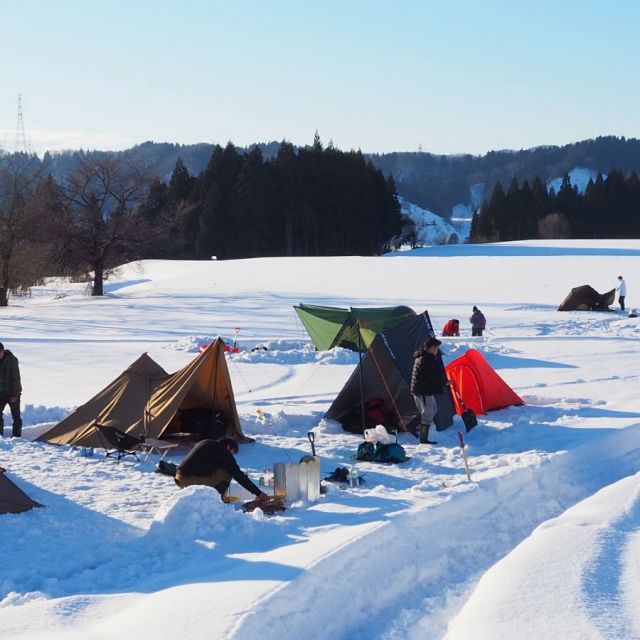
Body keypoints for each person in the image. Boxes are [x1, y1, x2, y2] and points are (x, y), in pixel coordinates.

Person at [175, 436, 268, 503]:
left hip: (179, 477)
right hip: (190, 480)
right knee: (227, 472)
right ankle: (218, 502)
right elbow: (239, 476)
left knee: (221, 470)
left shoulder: (206, 442)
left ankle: (209, 497)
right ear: (228, 447)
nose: (231, 455)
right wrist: (258, 493)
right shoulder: (224, 453)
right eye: (232, 452)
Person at [410, 337, 449, 445]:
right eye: (436, 348)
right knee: (428, 414)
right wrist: (444, 382)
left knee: (433, 410)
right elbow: (432, 376)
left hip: (426, 389)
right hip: (423, 390)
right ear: (431, 348)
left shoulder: (426, 357)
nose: (437, 350)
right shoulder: (425, 359)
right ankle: (423, 439)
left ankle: (413, 425)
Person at [0, 342, 22, 438]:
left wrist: (15, 394)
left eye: (0, 353)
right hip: (1, 393)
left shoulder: (12, 360)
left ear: (3, 351)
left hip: (13, 393)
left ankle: (16, 437)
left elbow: (16, 378)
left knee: (16, 416)